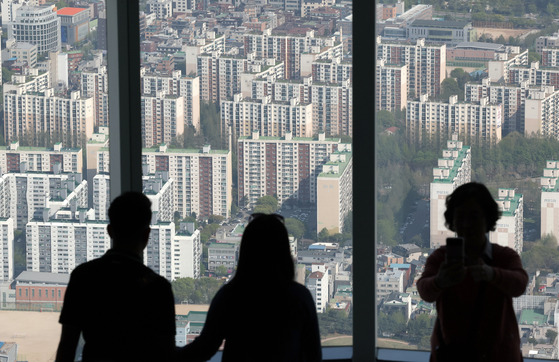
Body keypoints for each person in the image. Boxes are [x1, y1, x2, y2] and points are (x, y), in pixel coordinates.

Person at [176, 213, 322, 362]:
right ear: (284, 253)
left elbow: (204, 348)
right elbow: (314, 354)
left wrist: (165, 353)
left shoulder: (230, 297)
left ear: (246, 251)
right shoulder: (300, 297)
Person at [55, 192, 176, 362]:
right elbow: (166, 353)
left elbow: (67, 346)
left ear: (110, 231)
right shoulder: (158, 288)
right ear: (147, 234)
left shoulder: (83, 277)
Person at [417, 182, 528, 362]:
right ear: (452, 221)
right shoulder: (441, 258)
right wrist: (440, 281)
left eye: (474, 217)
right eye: (461, 217)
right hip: (455, 354)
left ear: (488, 220)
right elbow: (424, 291)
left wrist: (491, 274)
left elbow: (520, 285)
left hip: (494, 355)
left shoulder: (504, 257)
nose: (467, 224)